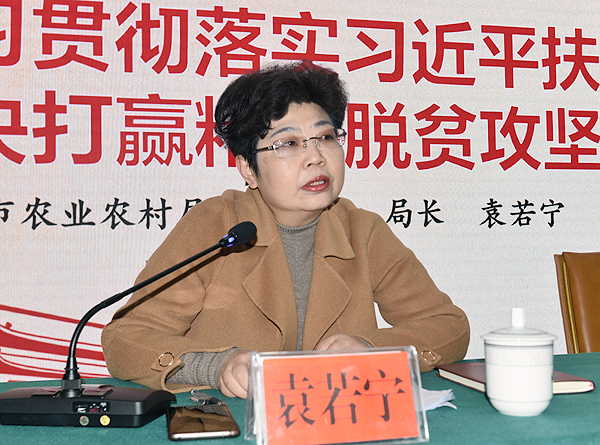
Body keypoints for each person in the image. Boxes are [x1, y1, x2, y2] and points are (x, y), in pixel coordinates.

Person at [101, 61, 470, 399]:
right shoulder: (216, 225)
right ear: (248, 168)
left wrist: (374, 350)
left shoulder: (363, 231)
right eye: (288, 144)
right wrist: (218, 366)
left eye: (326, 137)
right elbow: (127, 339)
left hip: (337, 424)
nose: (316, 157)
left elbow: (448, 327)